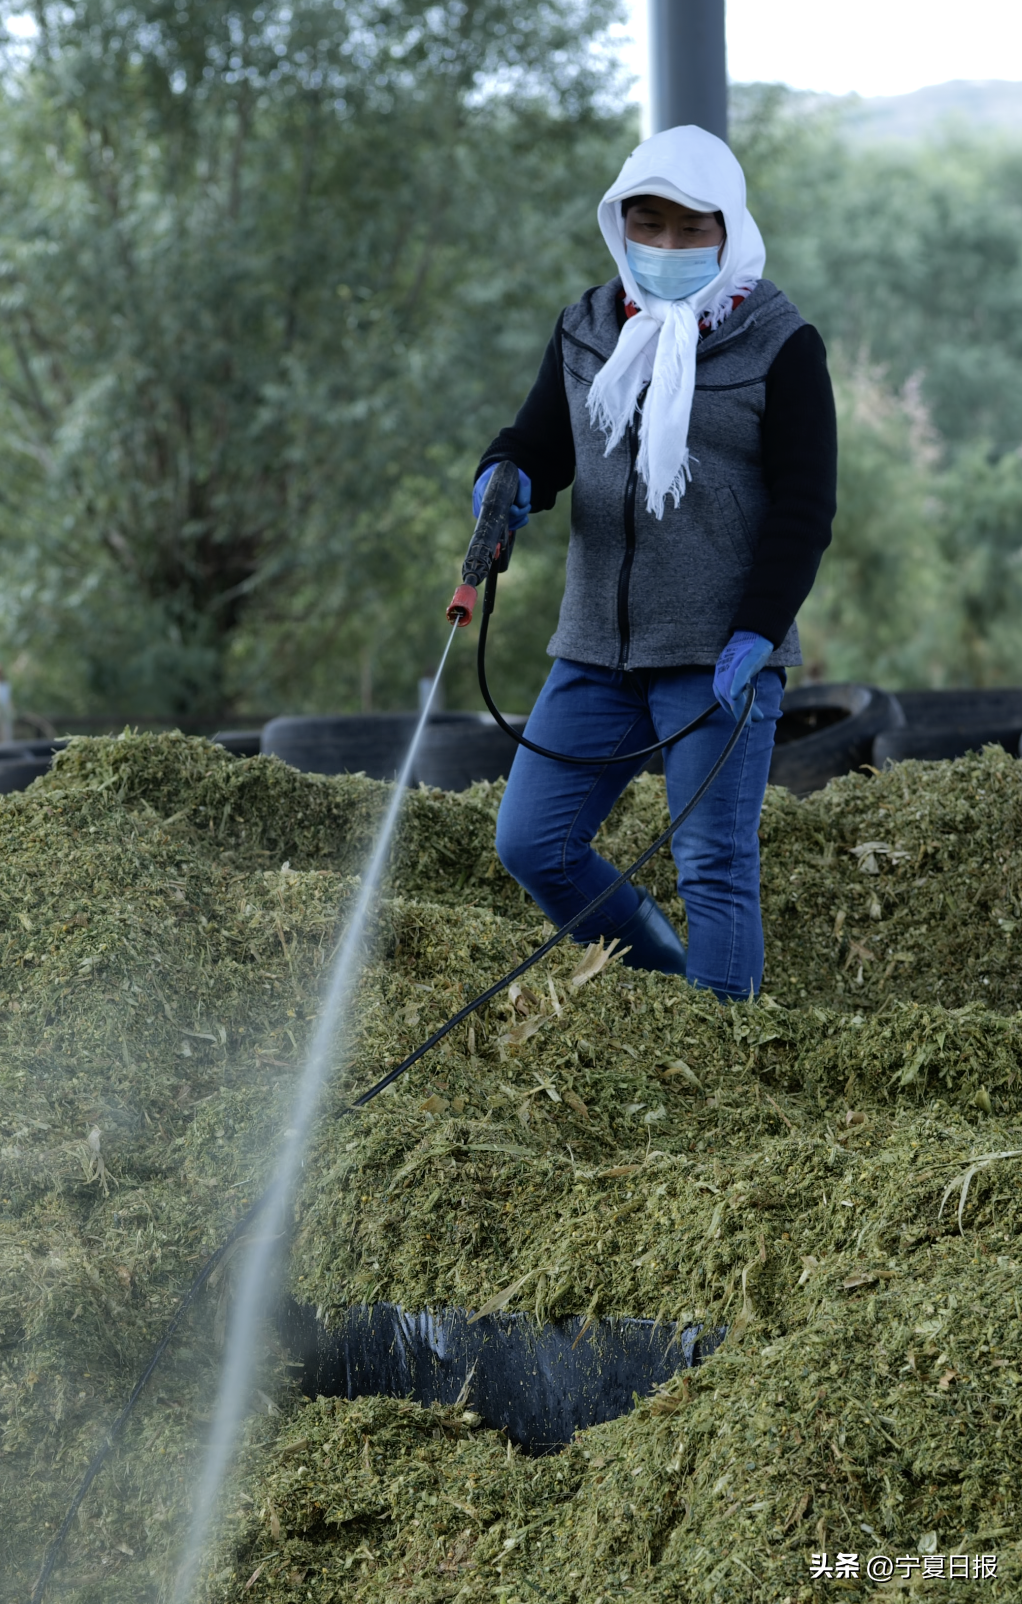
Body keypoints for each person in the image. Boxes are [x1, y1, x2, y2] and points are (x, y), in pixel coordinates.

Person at [475, 124, 837, 1001]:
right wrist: (506, 475)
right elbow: (544, 444)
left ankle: (726, 1068)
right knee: (532, 845)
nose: (666, 246)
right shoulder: (589, 327)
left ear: (726, 230)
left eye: (689, 229)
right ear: (619, 224)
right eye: (648, 225)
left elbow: (805, 507)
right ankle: (669, 974)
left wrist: (757, 632)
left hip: (718, 656)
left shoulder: (779, 343)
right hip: (595, 649)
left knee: (714, 865)